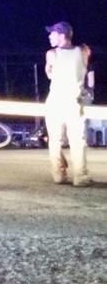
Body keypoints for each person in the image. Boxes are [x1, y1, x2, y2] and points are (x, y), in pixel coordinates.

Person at [44, 22, 91, 186]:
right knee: (78, 140)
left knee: (55, 140)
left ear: (62, 35)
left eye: (52, 33)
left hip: (55, 101)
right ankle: (81, 176)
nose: (49, 36)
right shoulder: (83, 52)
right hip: (74, 102)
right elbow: (85, 69)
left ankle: (59, 174)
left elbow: (49, 73)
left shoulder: (51, 54)